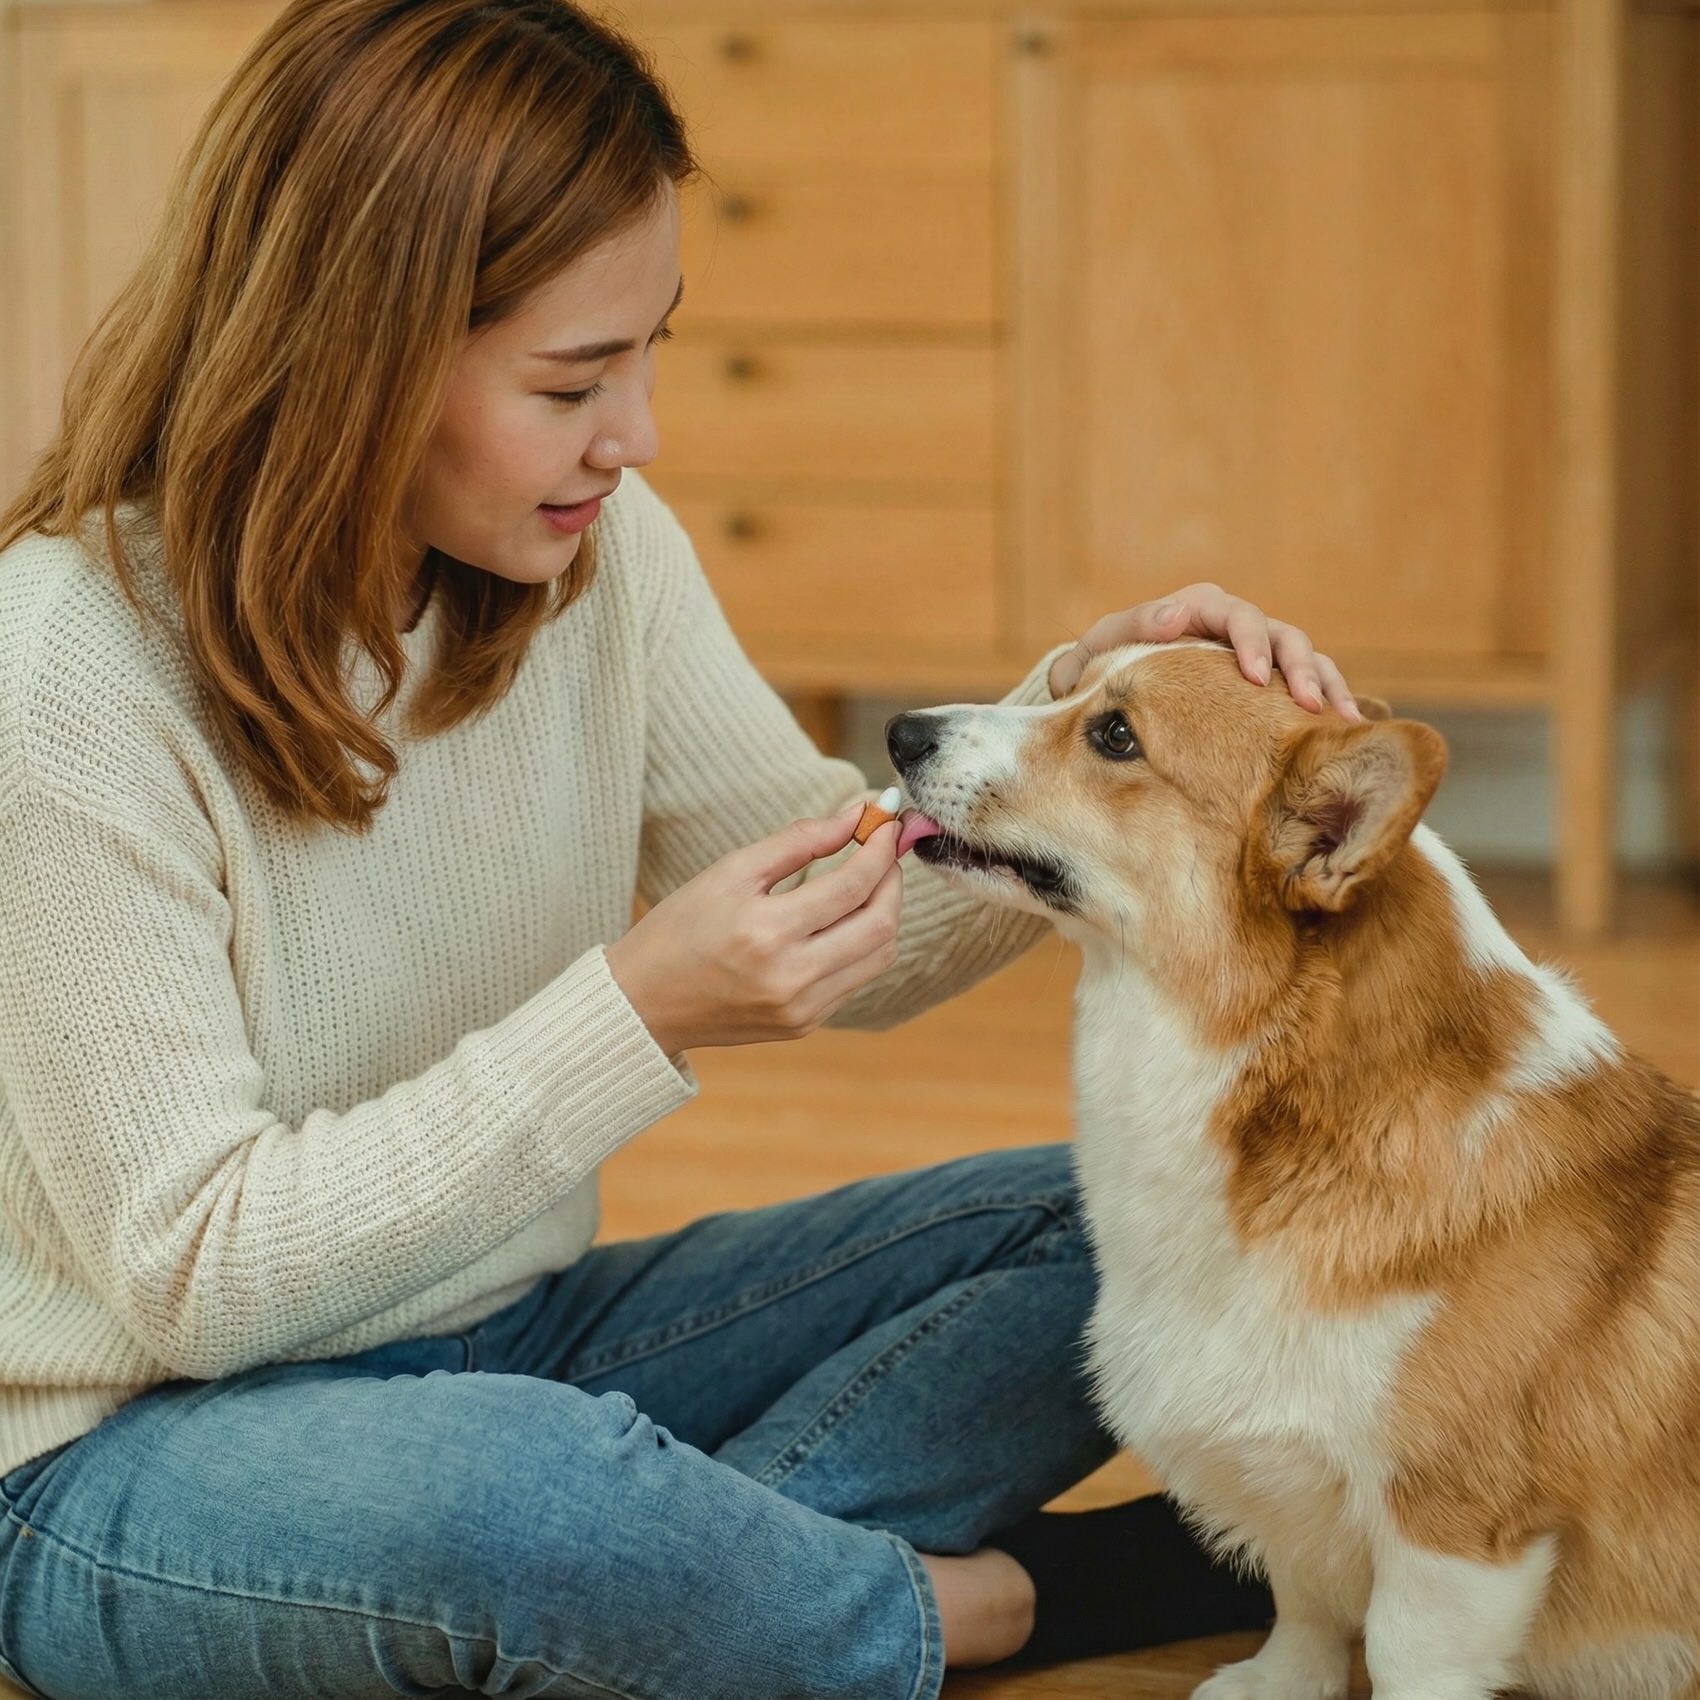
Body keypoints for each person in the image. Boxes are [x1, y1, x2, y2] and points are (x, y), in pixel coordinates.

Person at [0, 1, 1362, 1694]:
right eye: (574, 380)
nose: (636, 434)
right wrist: (634, 1015)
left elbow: (853, 911)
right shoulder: (65, 674)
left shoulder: (590, 557)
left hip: (509, 1349)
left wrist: (1084, 726)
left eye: (650, 351)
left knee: (1156, 1219)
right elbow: (196, 1276)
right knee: (525, 1503)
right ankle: (992, 1603)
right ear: (355, 357)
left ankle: (678, 1602)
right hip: (127, 1458)